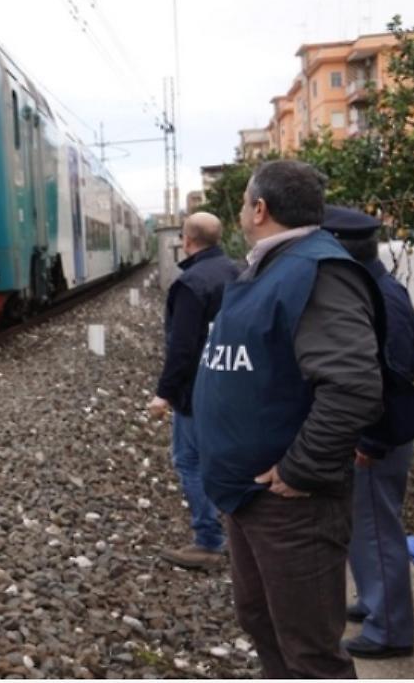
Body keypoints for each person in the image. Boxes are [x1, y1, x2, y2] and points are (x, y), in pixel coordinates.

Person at [192, 160, 384, 678]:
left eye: (242, 203)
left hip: (290, 504)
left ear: (259, 209)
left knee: (310, 652)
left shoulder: (317, 273)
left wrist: (300, 469)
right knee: (263, 622)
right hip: (249, 495)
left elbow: (352, 386)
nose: (239, 212)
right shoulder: (273, 266)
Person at [321, 205, 414, 660]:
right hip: (373, 434)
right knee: (365, 527)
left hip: (378, 437)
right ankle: (376, 601)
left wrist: (372, 439)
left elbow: (393, 374)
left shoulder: (381, 297)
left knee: (377, 529)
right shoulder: (373, 288)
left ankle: (390, 629)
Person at [147, 212, 239, 569]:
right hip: (233, 379)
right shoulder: (238, 271)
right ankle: (239, 536)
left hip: (198, 389)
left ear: (186, 240)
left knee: (189, 460)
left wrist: (164, 394)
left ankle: (209, 541)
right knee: (227, 457)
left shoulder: (190, 283)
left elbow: (182, 347)